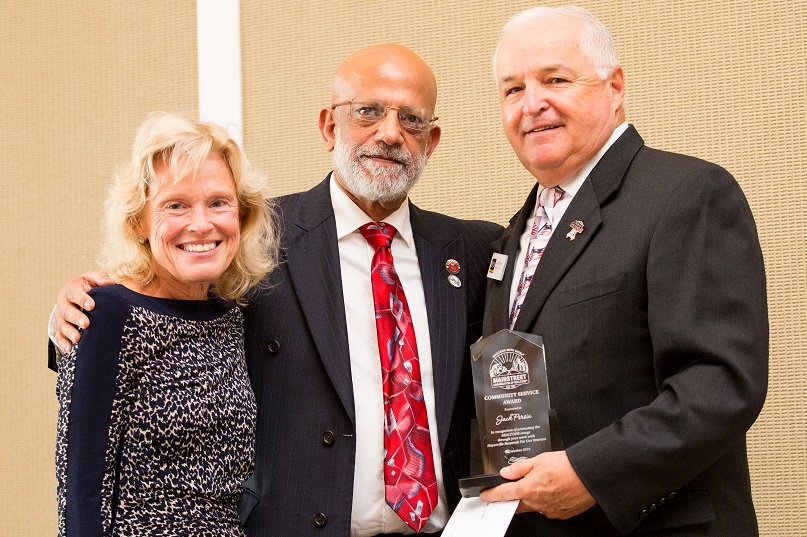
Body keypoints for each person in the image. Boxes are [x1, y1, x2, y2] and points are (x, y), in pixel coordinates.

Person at [50, 44, 503, 536]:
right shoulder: (253, 238)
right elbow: (158, 297)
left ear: (431, 139)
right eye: (367, 112)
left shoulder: (474, 249)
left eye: (411, 120)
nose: (389, 133)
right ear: (330, 126)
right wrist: (71, 315)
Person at [477, 6, 768, 536]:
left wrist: (589, 473)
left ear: (615, 87)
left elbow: (719, 383)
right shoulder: (511, 236)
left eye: (555, 79)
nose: (532, 103)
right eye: (512, 89)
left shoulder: (686, 194)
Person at [54, 112, 280, 536]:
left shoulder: (232, 315)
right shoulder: (107, 315)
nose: (201, 223)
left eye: (218, 202)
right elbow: (80, 491)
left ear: (241, 215)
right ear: (139, 221)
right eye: (175, 205)